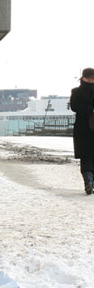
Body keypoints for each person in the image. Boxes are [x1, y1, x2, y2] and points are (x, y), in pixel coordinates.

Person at [70, 67, 94, 195]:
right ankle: (90, 182)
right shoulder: (77, 92)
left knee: (85, 159)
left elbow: (74, 107)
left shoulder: (76, 92)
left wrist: (88, 109)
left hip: (82, 129)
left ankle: (88, 182)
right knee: (89, 158)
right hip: (86, 129)